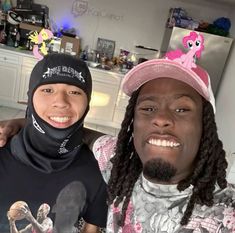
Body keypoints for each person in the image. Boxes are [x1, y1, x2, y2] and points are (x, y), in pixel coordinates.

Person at [1, 41, 235, 232]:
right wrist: (28, 123)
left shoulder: (226, 213)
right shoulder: (116, 162)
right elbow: (73, 131)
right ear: (132, 123)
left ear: (206, 125)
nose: (161, 119)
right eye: (148, 108)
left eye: (182, 109)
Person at [0, 53, 107, 233]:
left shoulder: (97, 171)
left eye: (74, 92)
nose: (61, 102)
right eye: (48, 90)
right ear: (30, 97)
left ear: (87, 102)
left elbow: (91, 229)